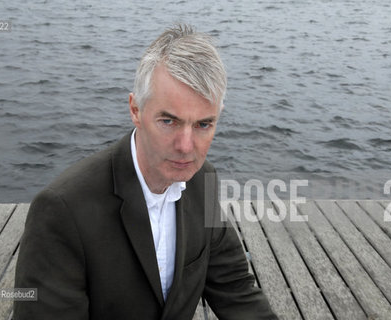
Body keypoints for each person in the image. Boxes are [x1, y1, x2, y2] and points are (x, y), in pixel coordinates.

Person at [14, 24, 277, 320]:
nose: (186, 147)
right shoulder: (62, 211)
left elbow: (235, 288)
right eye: (169, 121)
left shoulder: (203, 181)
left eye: (203, 124)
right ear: (135, 110)